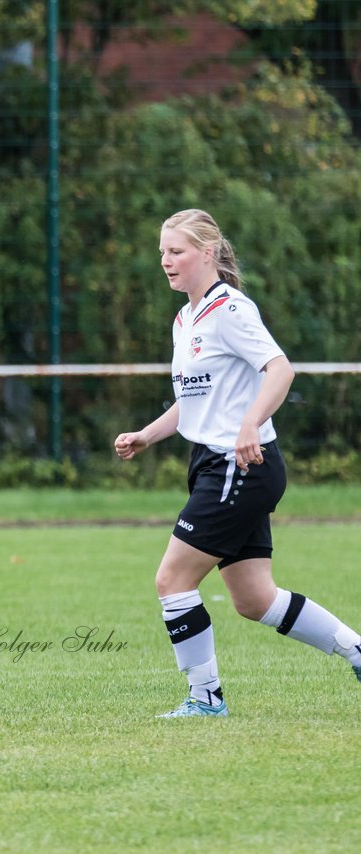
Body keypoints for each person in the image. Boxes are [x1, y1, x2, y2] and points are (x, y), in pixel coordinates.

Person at [115, 208, 361, 718]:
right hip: (215, 462)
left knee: (172, 581)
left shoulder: (229, 309)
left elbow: (279, 369)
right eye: (162, 252)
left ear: (207, 253)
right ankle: (357, 650)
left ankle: (205, 699)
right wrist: (148, 434)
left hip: (239, 464)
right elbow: (197, 400)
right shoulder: (185, 319)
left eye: (176, 250)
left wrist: (251, 423)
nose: (166, 261)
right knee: (254, 599)